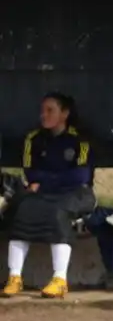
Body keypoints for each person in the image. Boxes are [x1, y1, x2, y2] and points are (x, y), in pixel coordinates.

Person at [3, 92, 95, 299]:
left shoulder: (79, 139)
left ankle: (60, 279)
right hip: (44, 193)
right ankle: (14, 277)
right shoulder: (33, 139)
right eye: (42, 111)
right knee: (22, 210)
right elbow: (30, 172)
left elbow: (80, 176)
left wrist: (46, 180)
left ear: (65, 114)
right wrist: (53, 179)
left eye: (50, 110)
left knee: (58, 212)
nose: (43, 115)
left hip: (77, 193)